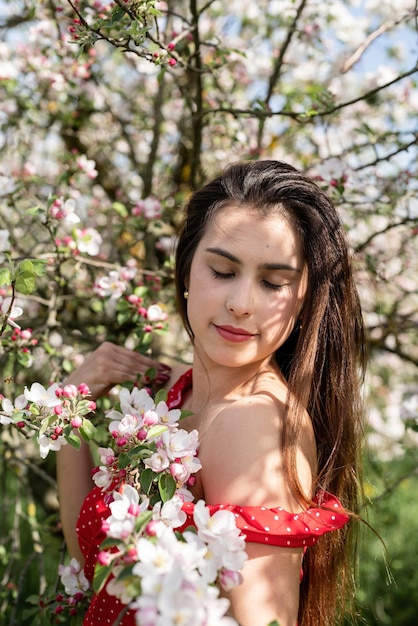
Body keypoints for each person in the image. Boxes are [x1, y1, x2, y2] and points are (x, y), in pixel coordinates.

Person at [57, 160, 366, 626]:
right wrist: (68, 404)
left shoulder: (252, 423)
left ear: (304, 300)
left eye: (273, 283)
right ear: (185, 272)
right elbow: (94, 557)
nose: (241, 304)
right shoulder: (179, 391)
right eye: (222, 271)